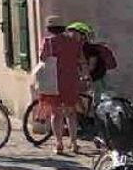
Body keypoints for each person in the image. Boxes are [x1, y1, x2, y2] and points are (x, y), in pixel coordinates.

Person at [37, 17, 84, 155]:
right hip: (70, 80)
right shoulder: (73, 42)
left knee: (56, 114)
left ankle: (59, 143)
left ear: (50, 29)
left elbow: (42, 58)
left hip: (54, 81)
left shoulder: (48, 42)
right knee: (71, 113)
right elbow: (80, 59)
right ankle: (74, 143)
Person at [68, 21, 114, 99]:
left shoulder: (90, 49)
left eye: (74, 34)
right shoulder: (74, 49)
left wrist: (84, 77)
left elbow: (92, 66)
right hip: (86, 81)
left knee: (96, 103)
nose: (71, 36)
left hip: (96, 80)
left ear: (83, 36)